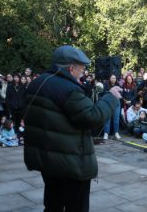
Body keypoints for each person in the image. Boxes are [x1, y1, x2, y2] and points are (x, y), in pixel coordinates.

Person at [24, 45, 122, 212]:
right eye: (81, 69)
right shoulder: (69, 89)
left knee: (53, 204)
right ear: (71, 68)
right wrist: (110, 97)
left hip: (48, 159)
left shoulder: (37, 83)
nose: (83, 73)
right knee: (76, 207)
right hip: (71, 162)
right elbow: (92, 117)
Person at [103, 74, 122, 140]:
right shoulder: (106, 85)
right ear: (110, 79)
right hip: (108, 103)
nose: (113, 79)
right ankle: (106, 133)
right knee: (108, 119)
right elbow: (104, 94)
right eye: (112, 78)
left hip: (116, 103)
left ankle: (116, 133)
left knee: (116, 119)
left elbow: (120, 95)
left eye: (114, 78)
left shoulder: (118, 85)